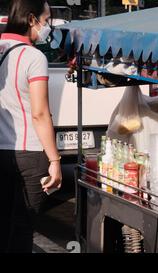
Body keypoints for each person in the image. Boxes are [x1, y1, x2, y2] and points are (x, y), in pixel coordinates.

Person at [0, 0, 62, 252]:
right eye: (45, 21)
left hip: (1, 152)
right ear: (31, 19)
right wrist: (55, 160)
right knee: (23, 226)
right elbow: (39, 113)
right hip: (30, 154)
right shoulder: (33, 56)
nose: (46, 27)